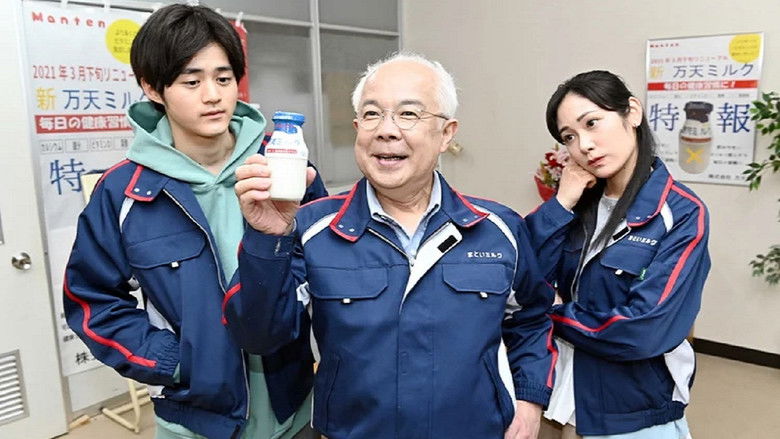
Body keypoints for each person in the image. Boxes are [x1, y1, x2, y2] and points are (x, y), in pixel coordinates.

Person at [223, 52, 557, 439]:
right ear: (357, 129)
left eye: (408, 114)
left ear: (446, 133)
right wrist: (268, 239)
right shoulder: (312, 229)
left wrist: (529, 399)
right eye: (371, 114)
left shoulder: (497, 228)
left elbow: (532, 319)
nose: (386, 130)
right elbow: (259, 337)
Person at [62, 4, 326, 439]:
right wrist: (173, 361)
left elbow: (322, 271)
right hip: (194, 421)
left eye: (223, 78)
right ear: (153, 87)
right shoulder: (124, 191)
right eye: (191, 81)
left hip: (294, 408)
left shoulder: (282, 169)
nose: (213, 95)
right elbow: (92, 299)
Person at [527, 70, 710, 439]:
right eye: (569, 137)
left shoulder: (681, 212)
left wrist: (554, 312)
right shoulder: (578, 206)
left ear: (633, 112)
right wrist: (561, 202)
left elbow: (643, 329)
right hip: (563, 392)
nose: (584, 145)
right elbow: (524, 274)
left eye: (592, 123)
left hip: (632, 408)